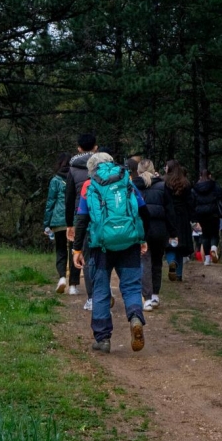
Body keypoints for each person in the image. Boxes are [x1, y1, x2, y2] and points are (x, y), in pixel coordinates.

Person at [72, 153, 149, 353]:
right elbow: (143, 210)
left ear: (92, 169)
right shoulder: (126, 181)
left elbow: (81, 219)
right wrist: (142, 238)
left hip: (101, 246)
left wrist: (77, 249)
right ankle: (135, 317)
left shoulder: (89, 185)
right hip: (129, 243)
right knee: (131, 286)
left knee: (100, 290)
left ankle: (103, 338)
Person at [133, 159, 178, 311]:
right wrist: (173, 233)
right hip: (160, 228)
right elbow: (170, 211)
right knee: (157, 261)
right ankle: (155, 295)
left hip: (141, 228)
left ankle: (146, 298)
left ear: (138, 171)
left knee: (144, 261)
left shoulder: (133, 187)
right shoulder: (163, 186)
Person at [65, 134, 97, 308]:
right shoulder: (104, 166)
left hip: (81, 214)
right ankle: (103, 290)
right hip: (103, 213)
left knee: (86, 254)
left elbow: (69, 199)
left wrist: (69, 224)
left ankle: (92, 298)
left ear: (79, 148)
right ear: (95, 147)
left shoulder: (73, 169)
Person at [43, 152, 72, 293]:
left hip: (59, 220)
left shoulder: (55, 180)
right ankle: (73, 285)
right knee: (74, 250)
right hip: (73, 220)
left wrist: (46, 223)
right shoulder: (75, 177)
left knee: (60, 249)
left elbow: (50, 202)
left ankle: (62, 278)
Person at [163, 160, 193, 282]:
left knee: (169, 244)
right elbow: (190, 201)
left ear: (169, 168)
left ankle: (172, 261)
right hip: (182, 216)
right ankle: (179, 274)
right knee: (180, 246)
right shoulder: (185, 182)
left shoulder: (164, 182)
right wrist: (192, 217)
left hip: (168, 215)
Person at [191, 170, 222, 266]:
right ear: (210, 175)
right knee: (214, 233)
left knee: (205, 235)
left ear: (200, 176)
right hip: (213, 213)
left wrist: (194, 217)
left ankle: (207, 259)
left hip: (201, 214)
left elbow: (192, 201)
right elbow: (221, 197)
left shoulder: (195, 188)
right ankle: (213, 248)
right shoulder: (215, 186)